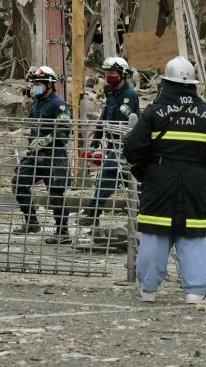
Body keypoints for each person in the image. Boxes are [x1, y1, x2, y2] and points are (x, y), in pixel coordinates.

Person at [123, 56, 206, 304]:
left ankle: (148, 291)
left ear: (166, 83)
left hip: (159, 180)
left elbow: (132, 148)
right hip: (196, 180)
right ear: (192, 85)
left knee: (155, 232)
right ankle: (196, 292)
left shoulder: (154, 112)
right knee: (193, 234)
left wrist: (142, 173)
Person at [12, 66, 74, 242]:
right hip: (35, 155)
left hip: (54, 157)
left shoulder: (58, 105)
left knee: (56, 194)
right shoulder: (37, 102)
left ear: (49, 84)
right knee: (18, 182)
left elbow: (64, 129)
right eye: (33, 84)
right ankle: (31, 221)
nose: (34, 87)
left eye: (38, 84)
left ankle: (63, 233)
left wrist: (47, 139)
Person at [81, 56, 140, 226]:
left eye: (113, 72)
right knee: (125, 182)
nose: (109, 76)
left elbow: (121, 120)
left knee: (110, 176)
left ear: (122, 75)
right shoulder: (113, 94)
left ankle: (93, 213)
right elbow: (104, 118)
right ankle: (94, 213)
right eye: (108, 73)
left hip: (125, 146)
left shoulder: (129, 96)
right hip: (114, 144)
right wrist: (96, 139)